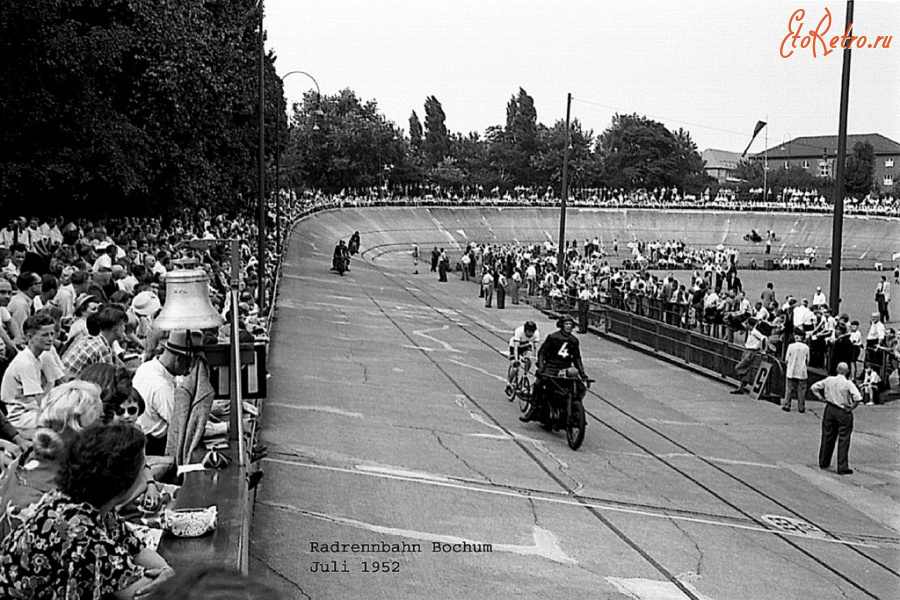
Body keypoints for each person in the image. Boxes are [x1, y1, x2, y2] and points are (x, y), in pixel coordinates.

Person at [0, 423, 176, 598]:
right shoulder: (80, 533)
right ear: (126, 483)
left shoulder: (87, 503)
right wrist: (167, 578)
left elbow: (136, 548)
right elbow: (137, 593)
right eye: (143, 468)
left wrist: (165, 572)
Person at [133, 330, 200, 456]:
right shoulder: (161, 387)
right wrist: (225, 427)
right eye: (188, 363)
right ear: (179, 359)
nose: (189, 368)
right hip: (156, 447)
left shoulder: (148, 366)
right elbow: (185, 426)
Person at [0, 313, 63, 430]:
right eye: (45, 335)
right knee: (61, 421)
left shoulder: (42, 356)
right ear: (29, 338)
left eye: (51, 334)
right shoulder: (25, 362)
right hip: (20, 417)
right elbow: (40, 401)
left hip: (32, 411)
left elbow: (56, 383)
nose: (50, 339)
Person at [521, 315, 587, 423]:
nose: (568, 326)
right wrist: (542, 367)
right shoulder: (553, 337)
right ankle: (532, 410)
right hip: (551, 366)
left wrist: (582, 373)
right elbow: (542, 352)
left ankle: (575, 411)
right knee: (538, 384)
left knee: (578, 387)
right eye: (566, 324)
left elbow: (576, 357)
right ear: (561, 325)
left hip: (565, 368)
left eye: (570, 324)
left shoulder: (574, 341)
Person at [811, 362, 861, 475]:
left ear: (837, 370)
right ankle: (842, 466)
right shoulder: (848, 383)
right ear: (847, 371)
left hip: (830, 409)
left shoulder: (829, 380)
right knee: (844, 438)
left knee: (827, 435)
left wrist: (821, 398)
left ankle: (824, 461)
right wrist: (852, 407)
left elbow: (814, 387)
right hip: (843, 410)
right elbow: (858, 397)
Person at [731, 318, 767, 394]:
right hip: (747, 350)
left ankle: (744, 381)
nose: (746, 325)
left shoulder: (755, 332)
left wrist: (763, 350)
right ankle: (741, 387)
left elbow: (764, 338)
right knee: (744, 369)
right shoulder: (751, 332)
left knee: (738, 367)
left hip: (751, 352)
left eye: (747, 323)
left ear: (750, 325)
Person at [506, 321, 540, 397]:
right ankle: (509, 383)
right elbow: (516, 348)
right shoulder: (519, 331)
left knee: (528, 360)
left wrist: (537, 358)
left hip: (526, 345)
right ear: (525, 330)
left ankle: (525, 375)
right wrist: (516, 359)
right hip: (515, 345)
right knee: (515, 367)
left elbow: (536, 347)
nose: (530, 334)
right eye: (529, 332)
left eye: (532, 332)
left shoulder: (536, 334)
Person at [782, 329, 809, 413]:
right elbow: (808, 361)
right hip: (802, 371)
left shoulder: (791, 346)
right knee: (801, 390)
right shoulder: (806, 348)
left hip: (791, 370)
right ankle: (801, 407)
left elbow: (786, 359)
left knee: (789, 388)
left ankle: (787, 405)